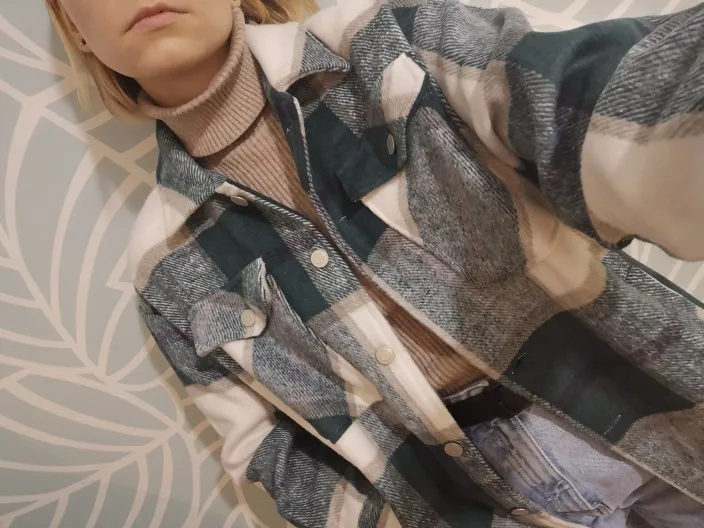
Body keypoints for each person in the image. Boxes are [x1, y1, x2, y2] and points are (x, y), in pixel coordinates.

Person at [46, 0, 704, 526]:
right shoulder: (163, 261)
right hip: (470, 499)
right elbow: (271, 451)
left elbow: (571, 97)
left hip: (648, 391)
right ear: (74, 27)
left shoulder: (389, 45)